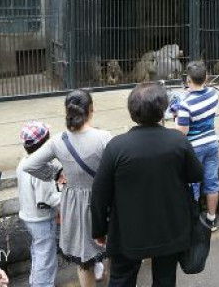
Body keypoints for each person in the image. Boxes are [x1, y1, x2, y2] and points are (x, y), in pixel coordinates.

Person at [91, 83, 204, 287]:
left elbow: (100, 193)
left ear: (132, 111)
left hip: (128, 231)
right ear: (163, 110)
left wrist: (99, 229)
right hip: (169, 228)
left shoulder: (117, 146)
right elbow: (196, 174)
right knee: (165, 280)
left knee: (121, 279)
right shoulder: (178, 141)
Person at [24, 90, 111, 286]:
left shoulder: (58, 140)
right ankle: (107, 277)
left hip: (73, 203)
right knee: (109, 248)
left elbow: (30, 165)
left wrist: (56, 173)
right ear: (91, 109)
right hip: (102, 200)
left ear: (67, 111)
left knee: (83, 260)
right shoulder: (104, 137)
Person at [175, 61, 219, 231]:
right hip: (212, 143)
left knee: (193, 184)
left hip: (194, 148)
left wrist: (176, 117)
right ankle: (212, 218)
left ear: (188, 80)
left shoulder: (185, 104)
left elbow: (182, 131)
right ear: (206, 77)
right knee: (212, 181)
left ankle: (193, 221)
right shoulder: (214, 94)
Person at [16, 122, 61, 287]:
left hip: (28, 215)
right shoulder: (41, 168)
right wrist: (67, 195)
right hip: (41, 218)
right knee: (46, 256)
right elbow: (47, 199)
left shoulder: (24, 162)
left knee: (38, 251)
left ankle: (35, 282)